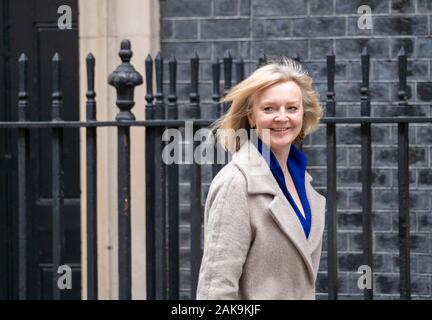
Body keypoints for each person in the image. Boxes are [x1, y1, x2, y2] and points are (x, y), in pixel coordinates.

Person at [196, 57, 326, 299]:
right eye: (269, 108)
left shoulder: (302, 181)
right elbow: (216, 290)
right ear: (252, 117)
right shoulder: (236, 182)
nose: (282, 117)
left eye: (292, 108)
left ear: (303, 113)